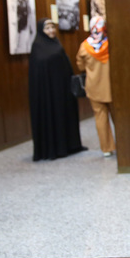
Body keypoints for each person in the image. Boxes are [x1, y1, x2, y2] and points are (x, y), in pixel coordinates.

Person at [28, 19, 86, 161]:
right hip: (47, 93)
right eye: (47, 28)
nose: (51, 31)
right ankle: (53, 149)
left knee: (65, 115)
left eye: (52, 27)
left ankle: (70, 145)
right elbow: (38, 72)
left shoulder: (56, 43)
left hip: (62, 89)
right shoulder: (37, 47)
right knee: (52, 116)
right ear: (42, 30)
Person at [76, 16, 115, 157]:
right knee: (118, 117)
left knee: (100, 117)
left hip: (94, 87)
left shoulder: (84, 46)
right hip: (112, 87)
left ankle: (106, 148)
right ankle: (123, 145)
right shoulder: (110, 45)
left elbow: (80, 65)